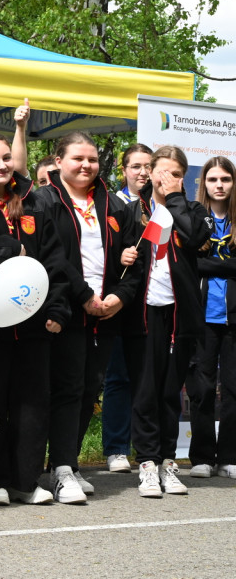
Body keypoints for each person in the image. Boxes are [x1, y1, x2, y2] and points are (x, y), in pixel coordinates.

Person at [36, 132, 145, 504]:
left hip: (107, 314)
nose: (86, 165)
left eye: (93, 159)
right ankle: (60, 469)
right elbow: (51, 258)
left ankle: (68, 464)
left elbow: (136, 259)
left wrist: (119, 297)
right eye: (77, 158)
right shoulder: (44, 200)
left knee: (87, 390)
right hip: (64, 311)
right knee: (65, 389)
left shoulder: (115, 205)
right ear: (59, 161)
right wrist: (83, 297)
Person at [0, 131, 69, 505]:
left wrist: (58, 308)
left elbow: (57, 260)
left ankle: (26, 481)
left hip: (33, 325)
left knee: (31, 402)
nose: (2, 165)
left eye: (6, 157)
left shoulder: (35, 202)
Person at [125, 146, 209, 497]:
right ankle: (146, 462)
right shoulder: (131, 210)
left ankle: (168, 462)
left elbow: (193, 238)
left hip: (179, 313)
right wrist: (123, 253)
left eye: (176, 173)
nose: (166, 178)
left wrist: (173, 197)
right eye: (161, 171)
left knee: (170, 392)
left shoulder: (192, 210)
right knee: (145, 390)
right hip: (142, 312)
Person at [102, 143, 154, 475]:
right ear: (124, 170)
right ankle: (116, 448)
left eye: (148, 166)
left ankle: (146, 449)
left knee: (146, 380)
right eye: (136, 166)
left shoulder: (160, 207)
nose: (143, 172)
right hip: (119, 304)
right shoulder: (111, 203)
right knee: (118, 378)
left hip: (152, 305)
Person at [190, 156, 236, 479]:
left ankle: (229, 456)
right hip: (202, 317)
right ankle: (203, 456)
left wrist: (208, 264)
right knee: (202, 389)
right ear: (203, 183)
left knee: (233, 389)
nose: (219, 185)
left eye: (226, 179)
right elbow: (189, 264)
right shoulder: (195, 219)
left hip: (233, 320)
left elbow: (202, 264)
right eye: (213, 179)